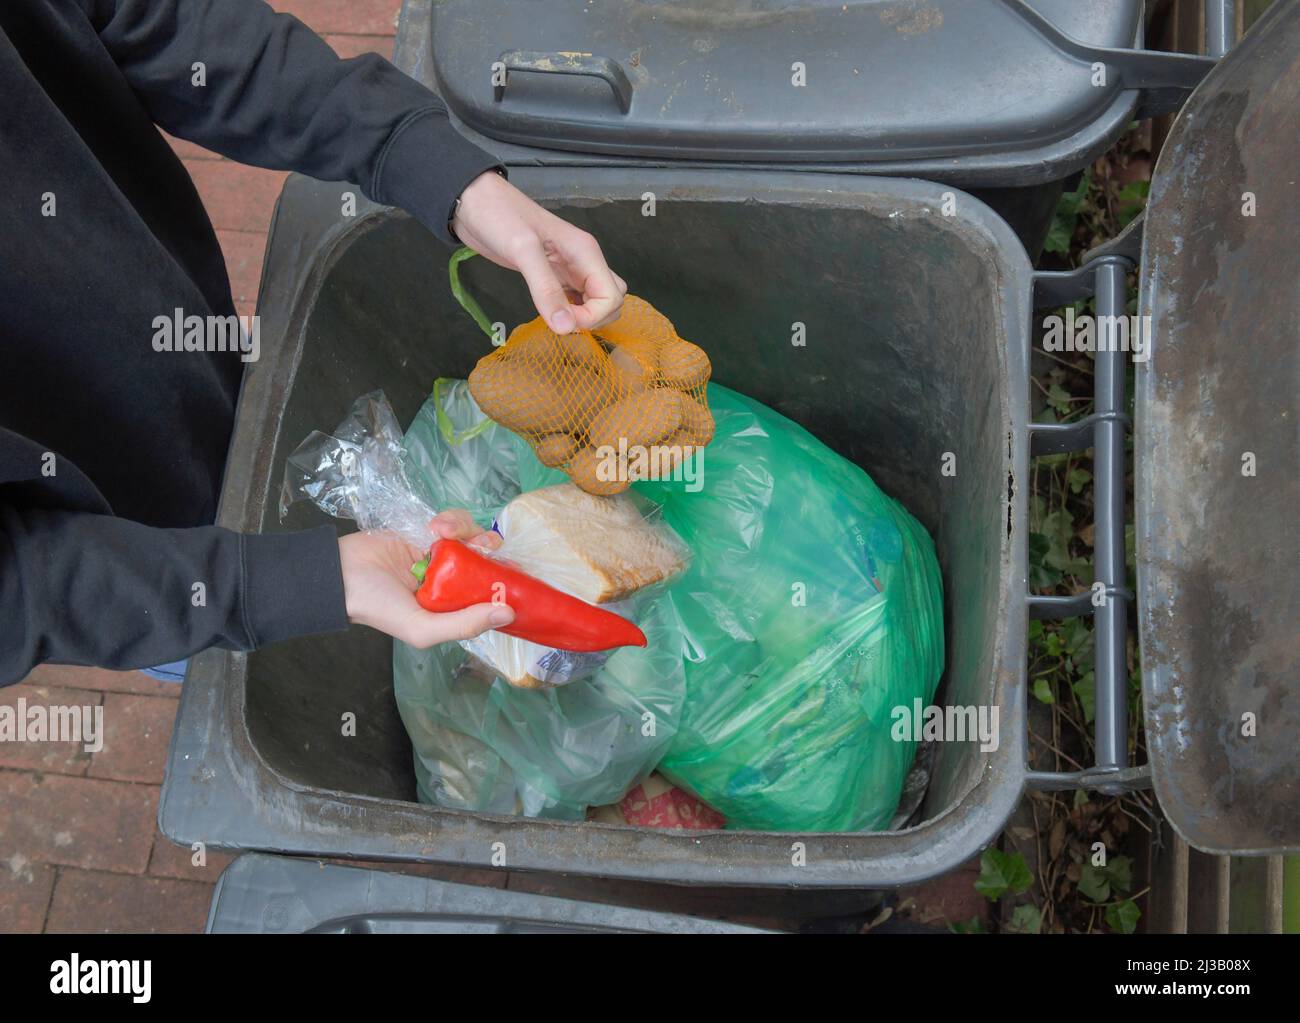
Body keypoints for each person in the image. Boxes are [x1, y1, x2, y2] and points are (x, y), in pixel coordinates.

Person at [0, 0, 626, 686]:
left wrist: (432, 167)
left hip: (186, 362)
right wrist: (274, 588)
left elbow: (164, 21)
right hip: (122, 561)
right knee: (248, 673)